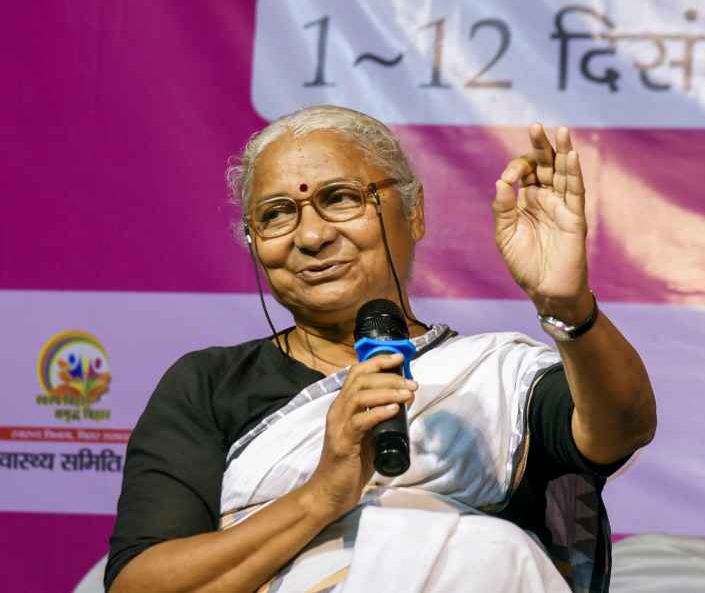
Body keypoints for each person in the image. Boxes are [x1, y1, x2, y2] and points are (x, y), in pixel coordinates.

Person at [104, 105, 657, 593]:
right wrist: (321, 495)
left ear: (413, 214)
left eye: (339, 199)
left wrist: (569, 306)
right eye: (276, 214)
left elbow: (622, 428)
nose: (311, 235)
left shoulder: (495, 377)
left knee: (484, 553)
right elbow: (141, 586)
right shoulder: (208, 385)